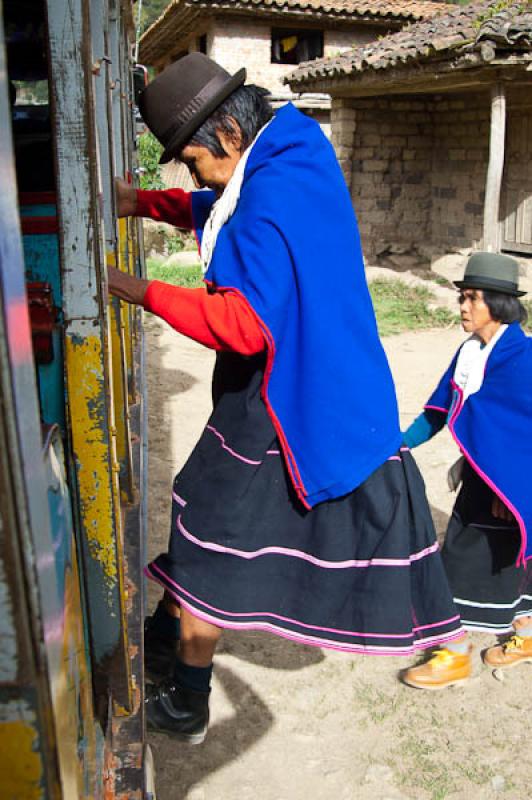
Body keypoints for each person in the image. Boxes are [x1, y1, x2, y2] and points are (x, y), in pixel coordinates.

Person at [108, 53, 463, 742]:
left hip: (283, 394)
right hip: (322, 372)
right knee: (209, 526)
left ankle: (187, 699)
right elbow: (222, 203)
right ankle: (165, 644)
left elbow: (242, 326)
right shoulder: (294, 149)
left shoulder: (270, 194)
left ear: (229, 138)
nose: (193, 175)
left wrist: (133, 288)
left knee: (208, 540)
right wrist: (144, 204)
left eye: (191, 160)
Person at [403, 252, 532, 690]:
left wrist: (512, 489)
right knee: (507, 560)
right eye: (463, 296)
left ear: (499, 304)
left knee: (461, 556)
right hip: (485, 475)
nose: (463, 306)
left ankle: (454, 652)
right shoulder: (470, 352)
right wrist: (398, 444)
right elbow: (439, 411)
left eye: (472, 298)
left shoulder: (522, 359)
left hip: (512, 486)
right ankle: (527, 635)